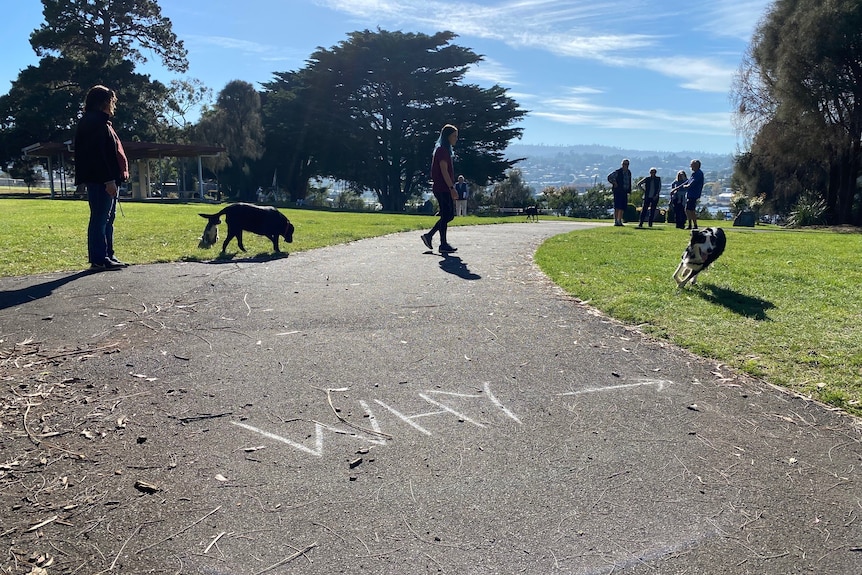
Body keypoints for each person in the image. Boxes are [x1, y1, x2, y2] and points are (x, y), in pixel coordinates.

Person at [74, 85, 129, 271]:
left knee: (107, 219)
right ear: (103, 102)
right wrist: (108, 180)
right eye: (111, 102)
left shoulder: (100, 122)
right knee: (99, 218)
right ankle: (99, 258)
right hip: (101, 180)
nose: (112, 106)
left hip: (107, 178)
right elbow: (97, 155)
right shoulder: (94, 123)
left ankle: (107, 254)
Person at [421, 124, 459, 253]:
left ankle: (437, 240)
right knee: (447, 215)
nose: (455, 138)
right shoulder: (442, 151)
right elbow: (444, 171)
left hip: (443, 188)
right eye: (454, 136)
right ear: (447, 136)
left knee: (447, 215)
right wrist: (452, 188)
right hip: (442, 188)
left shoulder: (444, 150)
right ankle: (433, 238)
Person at [607, 159, 632, 226]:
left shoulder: (628, 172)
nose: (626, 166)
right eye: (624, 164)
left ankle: (619, 220)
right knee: (617, 206)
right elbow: (609, 177)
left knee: (622, 207)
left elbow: (629, 181)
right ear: (622, 164)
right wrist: (614, 183)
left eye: (627, 164)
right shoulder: (618, 172)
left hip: (625, 191)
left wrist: (629, 189)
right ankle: (616, 221)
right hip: (618, 191)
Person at [682, 159, 705, 229]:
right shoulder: (694, 173)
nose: (690, 166)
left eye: (691, 165)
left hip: (693, 194)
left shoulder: (698, 173)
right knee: (689, 210)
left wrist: (686, 186)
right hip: (690, 194)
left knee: (690, 210)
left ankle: (693, 225)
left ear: (695, 166)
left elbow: (692, 183)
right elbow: (688, 181)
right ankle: (692, 224)